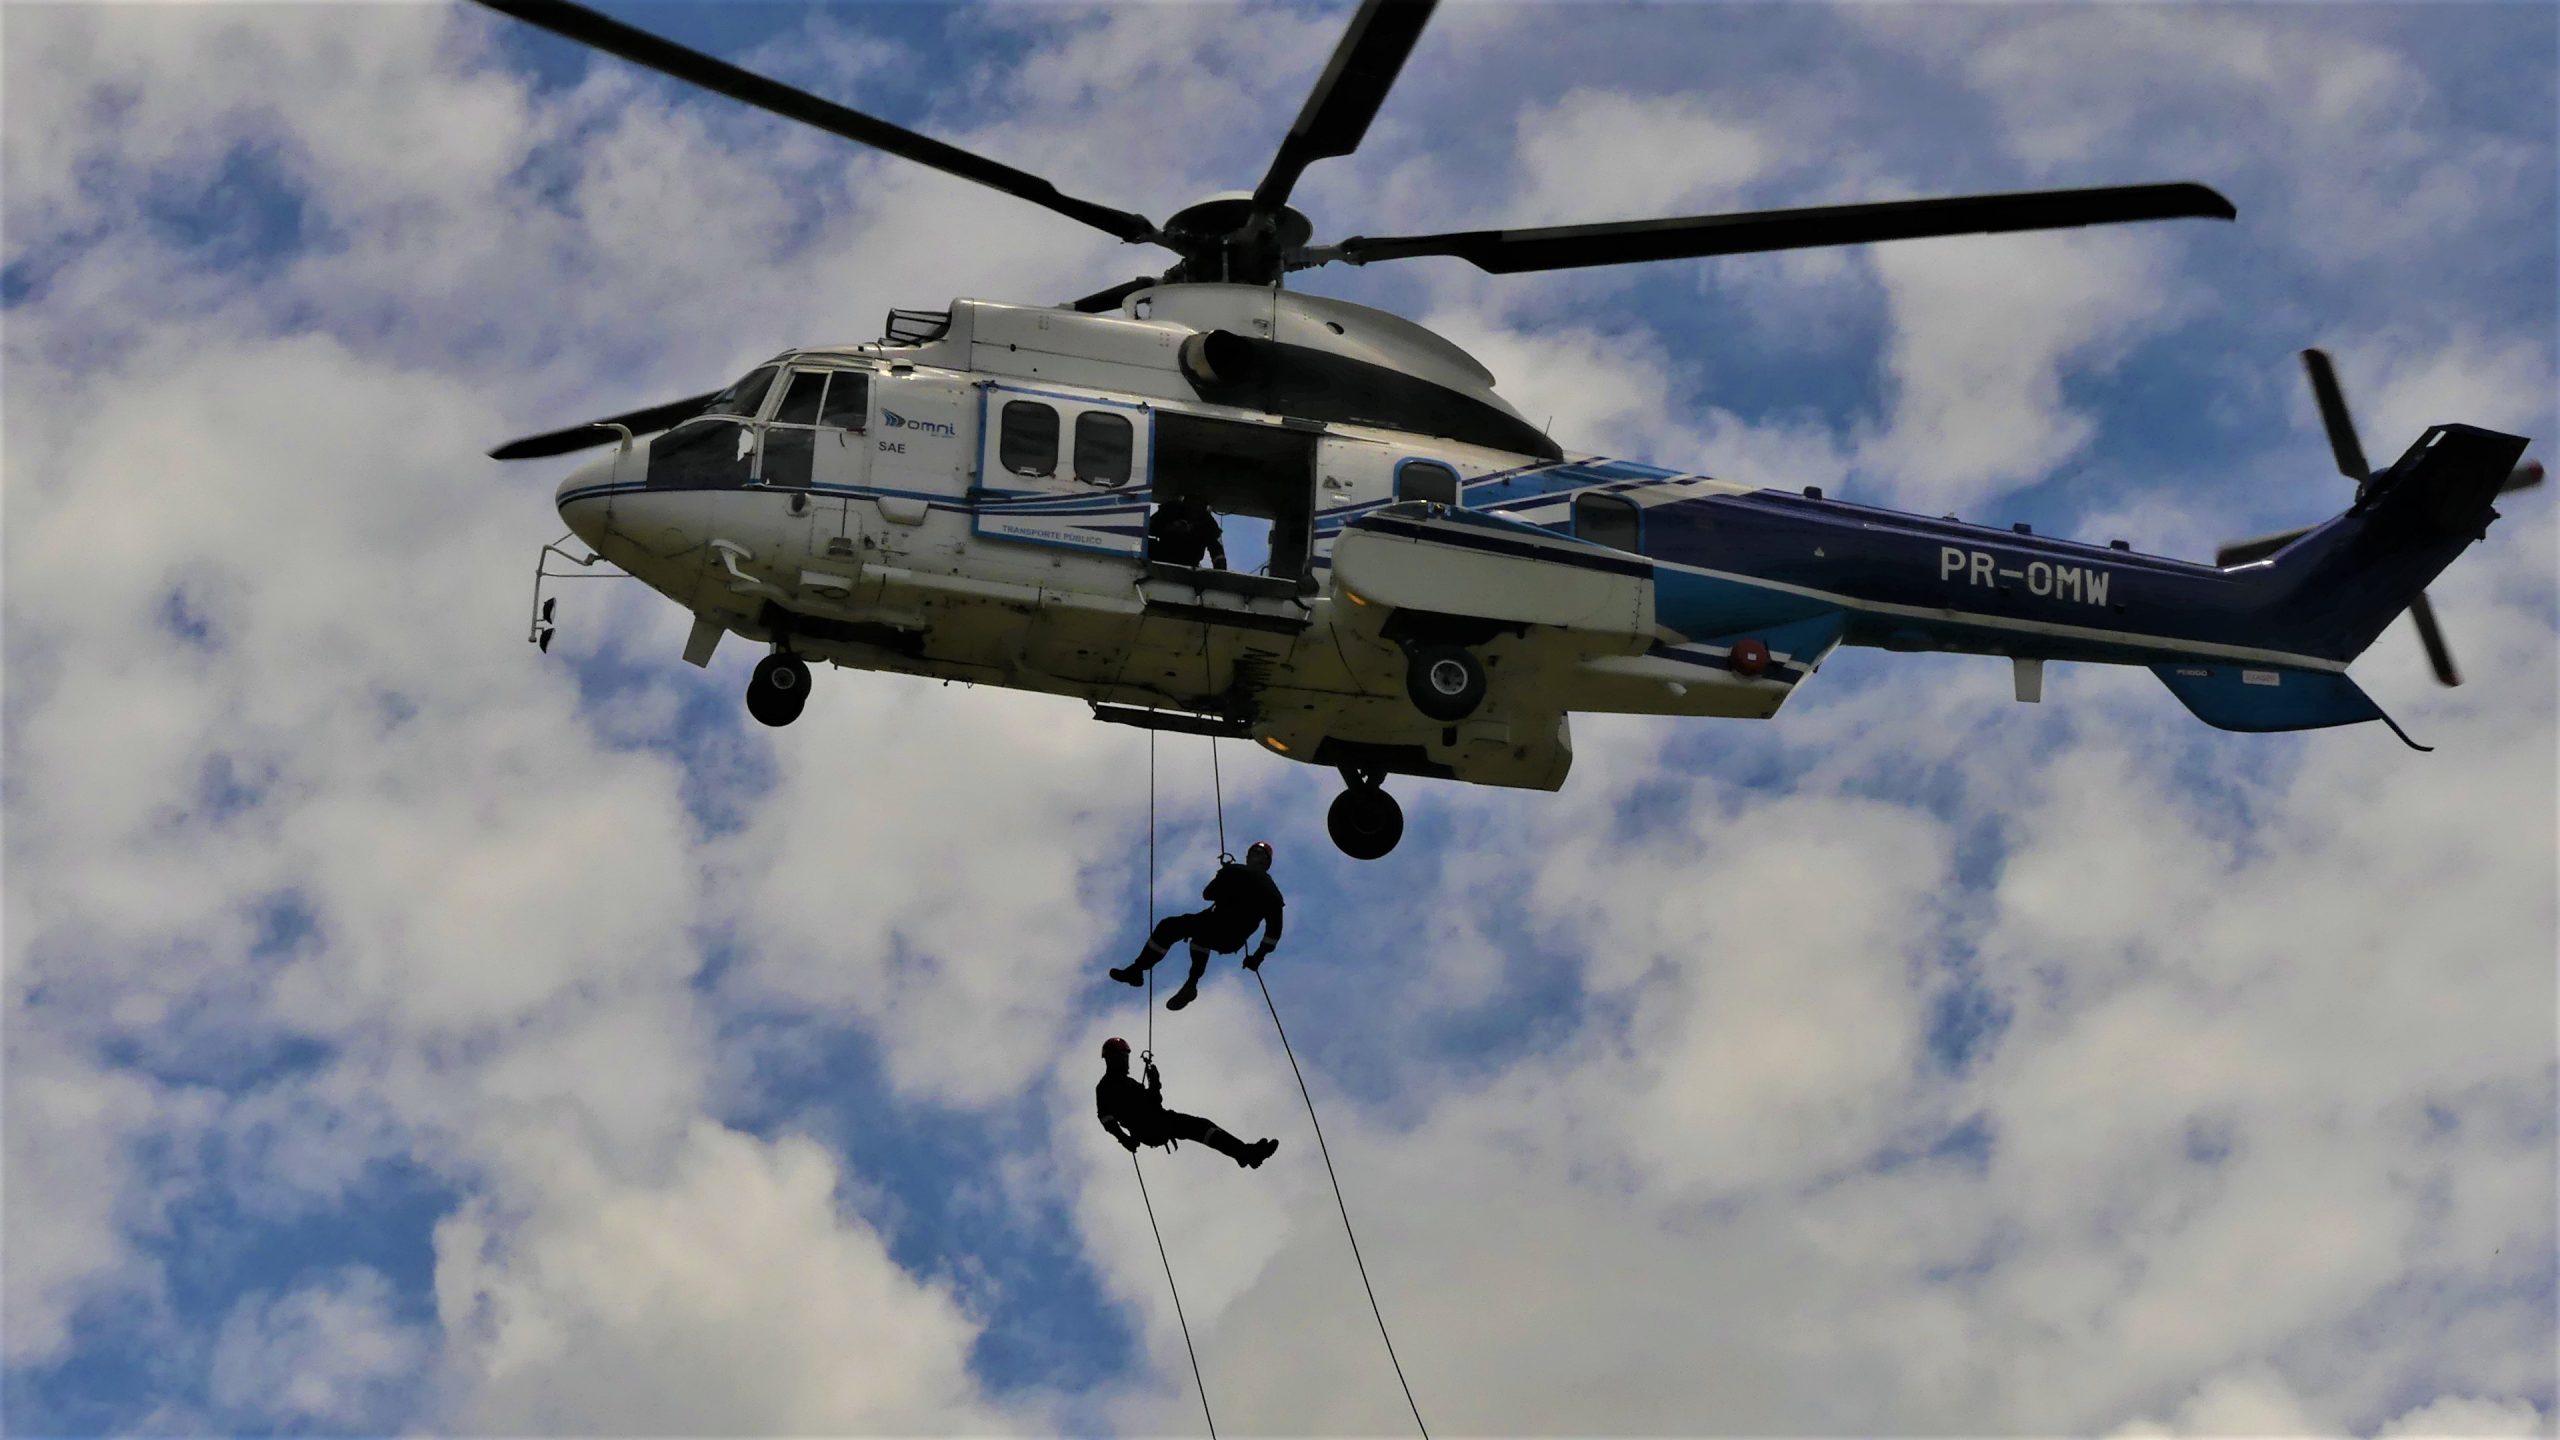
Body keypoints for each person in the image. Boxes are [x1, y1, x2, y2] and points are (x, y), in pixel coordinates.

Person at [1110, 840, 1282, 1010]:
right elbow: (1273, 932)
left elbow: (1209, 894)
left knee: (1181, 930)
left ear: (1266, 862)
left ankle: (1144, 971)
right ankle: (1171, 978)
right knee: (1187, 934)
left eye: (1258, 853)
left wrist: (1224, 875)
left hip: (1223, 929)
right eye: (1252, 852)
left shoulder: (1251, 880)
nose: (1253, 855)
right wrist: (1257, 957)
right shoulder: (1264, 888)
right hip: (1223, 932)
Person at [1096, 1037, 1277, 1168]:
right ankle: (1245, 1154)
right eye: (1121, 1058)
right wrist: (1124, 1138)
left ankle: (1244, 1153)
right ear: (1111, 1060)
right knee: (1200, 1127)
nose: (1125, 1062)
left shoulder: (1130, 1084)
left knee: (1204, 1126)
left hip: (1158, 1121)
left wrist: (1155, 1083)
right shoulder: (1105, 1087)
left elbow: (1153, 1102)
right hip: (1149, 1127)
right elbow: (1106, 1118)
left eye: (1125, 1057)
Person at [1146, 491, 1227, 570]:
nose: (1194, 507)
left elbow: (1217, 550)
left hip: (1188, 563)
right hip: (1161, 554)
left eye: (1199, 504)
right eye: (1192, 502)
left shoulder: (1208, 524)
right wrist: (1169, 527)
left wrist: (1220, 573)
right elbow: (1147, 528)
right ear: (1186, 501)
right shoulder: (1172, 509)